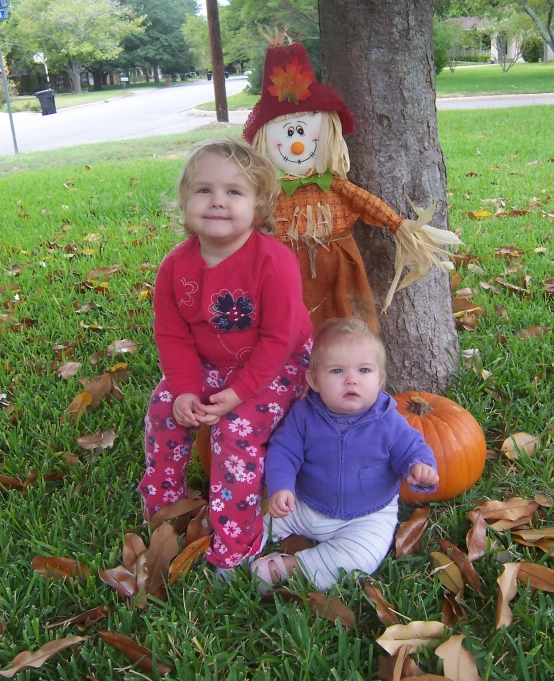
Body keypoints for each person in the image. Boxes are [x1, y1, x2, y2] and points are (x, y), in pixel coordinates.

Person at [138, 137, 313, 576]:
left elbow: (279, 339)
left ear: (259, 205)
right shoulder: (175, 268)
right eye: (203, 190)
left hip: (277, 365)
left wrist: (239, 393)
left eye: (234, 192)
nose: (217, 201)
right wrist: (184, 390)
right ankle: (164, 503)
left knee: (235, 432)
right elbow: (172, 336)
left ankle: (237, 540)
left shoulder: (274, 262)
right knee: (163, 408)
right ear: (184, 202)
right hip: (209, 364)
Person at [244, 36, 462, 332]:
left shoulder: (334, 186)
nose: (298, 145)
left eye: (305, 132)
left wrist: (398, 224)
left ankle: (350, 369)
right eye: (290, 133)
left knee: (347, 321)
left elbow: (365, 202)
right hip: (284, 269)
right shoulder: (268, 196)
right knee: (287, 326)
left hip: (339, 265)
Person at [250, 314, 439, 591]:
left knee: (363, 556)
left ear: (380, 379)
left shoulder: (389, 420)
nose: (351, 380)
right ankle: (237, 552)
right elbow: (284, 451)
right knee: (257, 517)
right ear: (313, 380)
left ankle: (294, 568)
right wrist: (281, 487)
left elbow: (411, 448)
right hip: (302, 504)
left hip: (366, 515)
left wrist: (419, 466)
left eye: (364, 371)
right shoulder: (304, 415)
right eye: (337, 371)